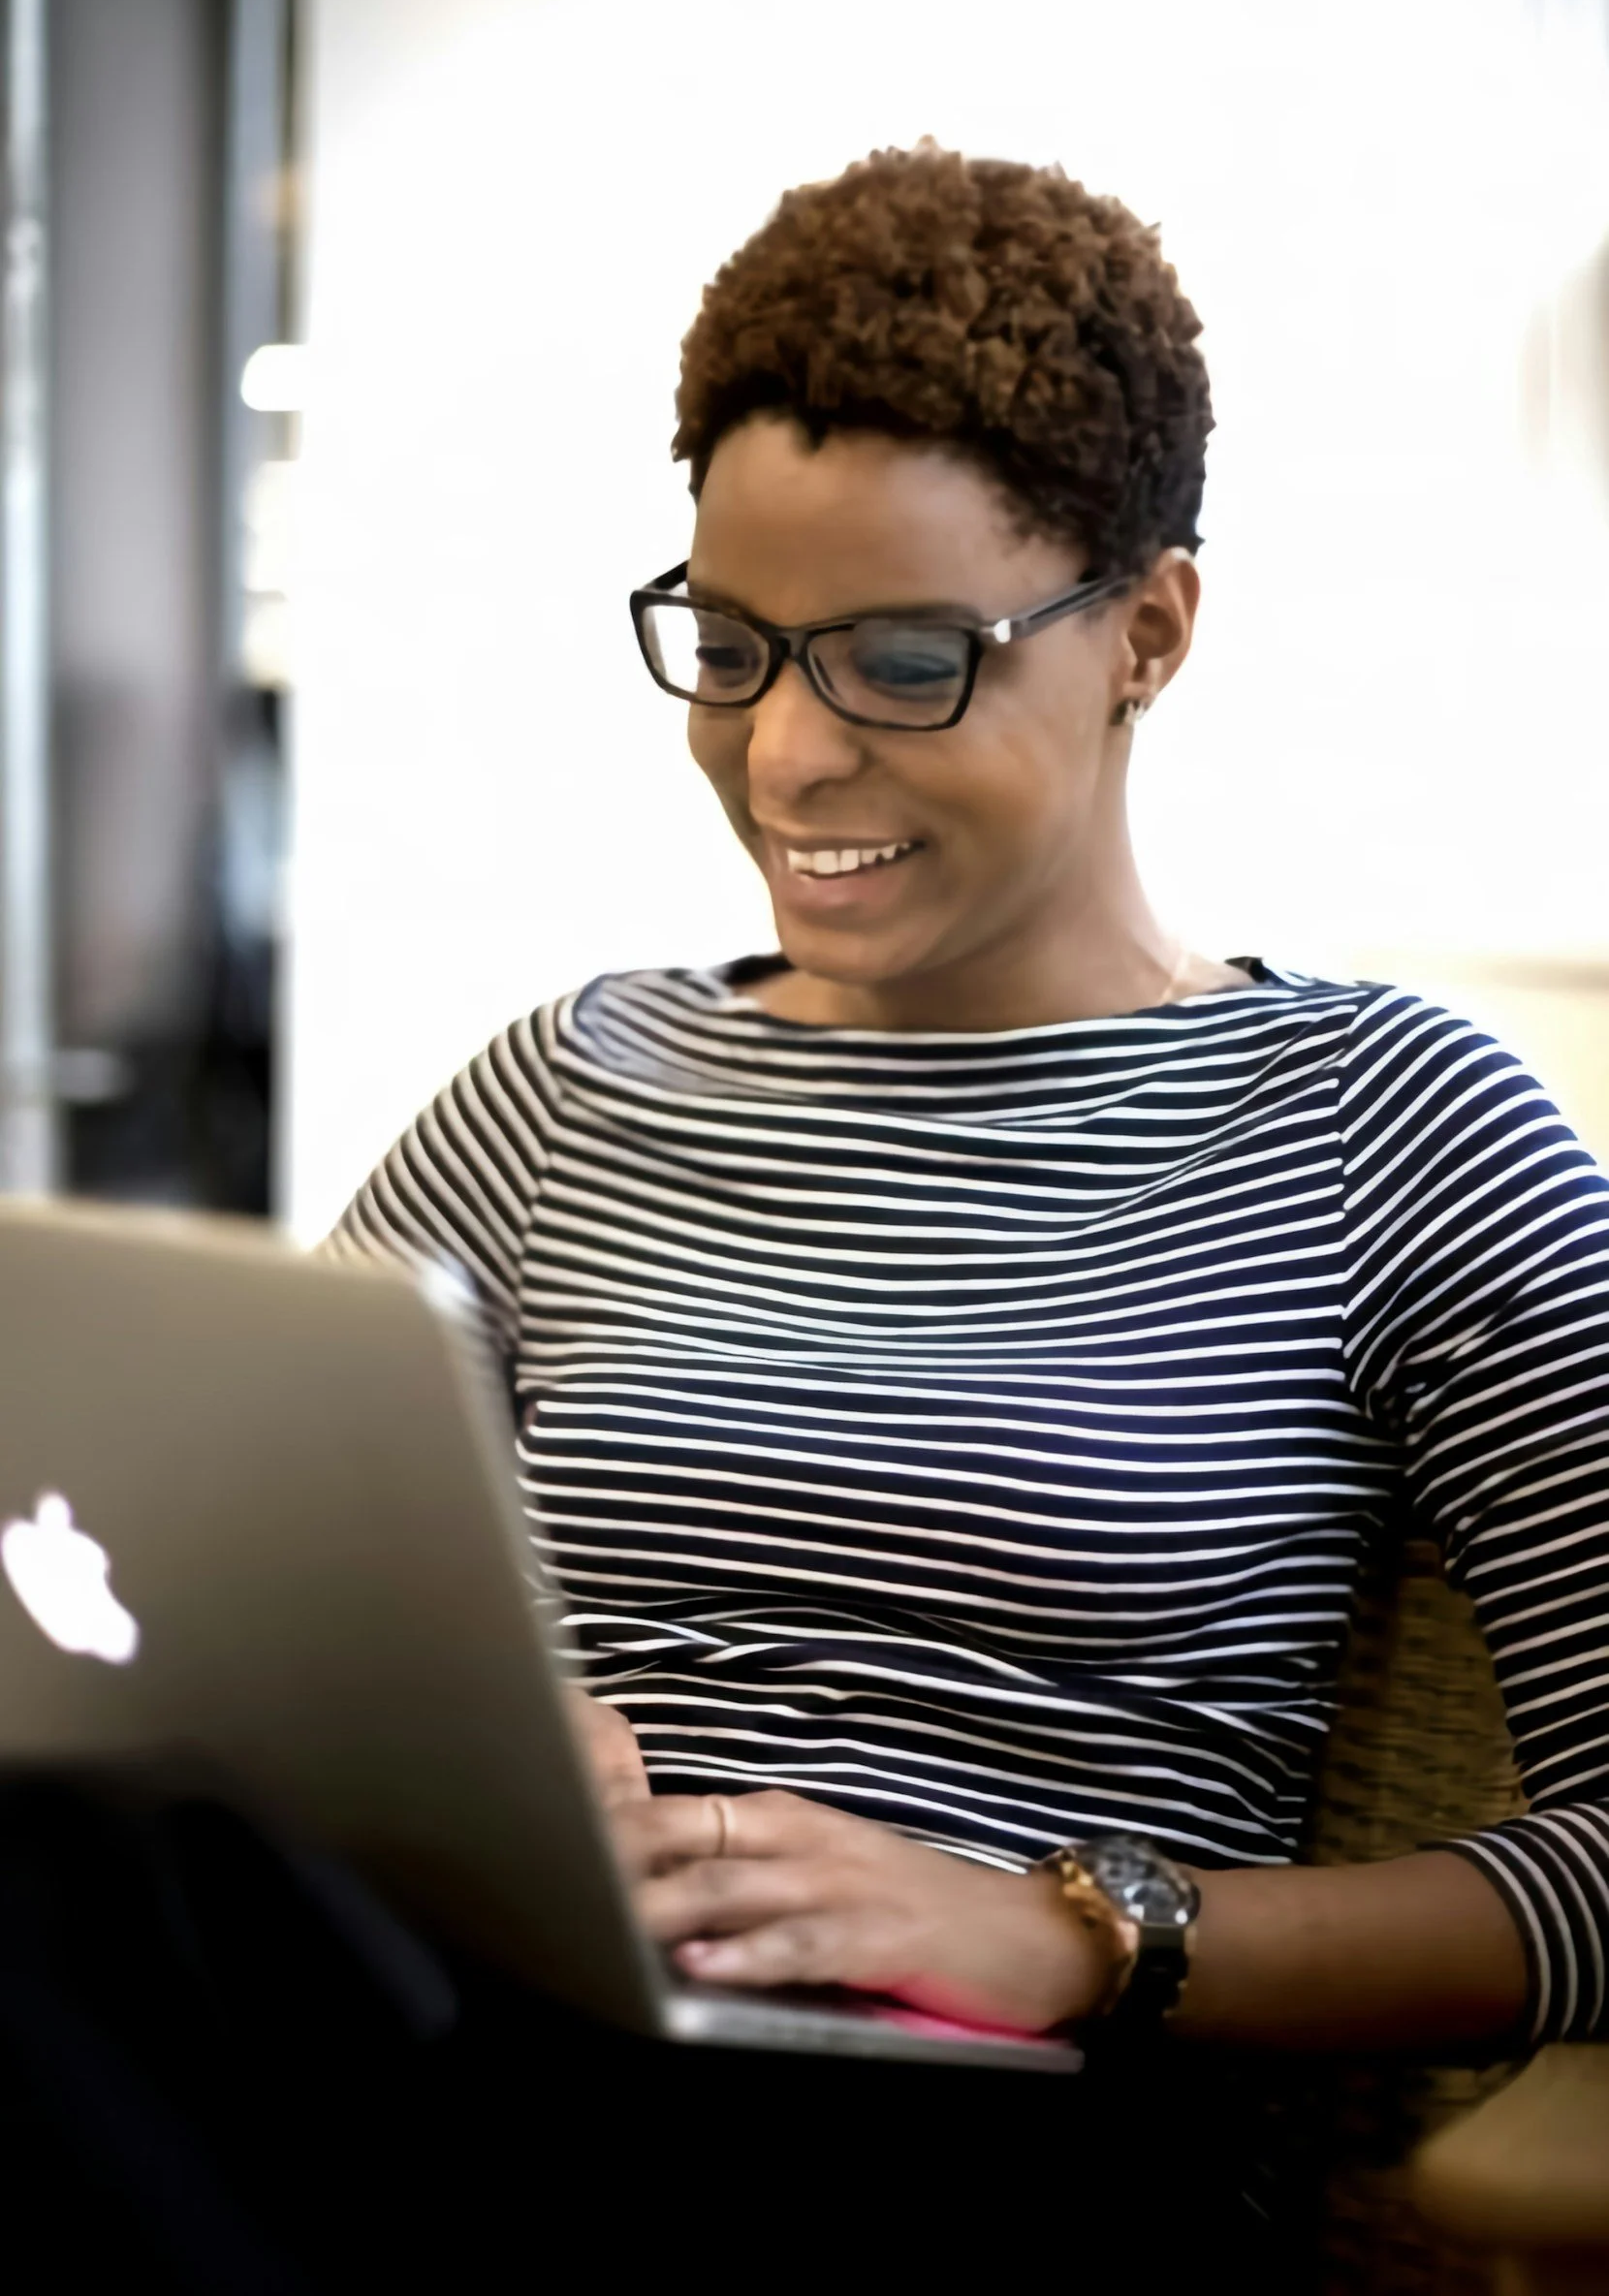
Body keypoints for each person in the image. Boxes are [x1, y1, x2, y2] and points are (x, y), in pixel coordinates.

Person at [9, 144, 1606, 2288]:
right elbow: (209, 1589)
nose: (783, 754)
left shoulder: (1377, 1126)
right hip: (482, 2025)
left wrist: (1075, 1927)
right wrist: (438, 1755)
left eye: (899, 662)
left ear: (1145, 628)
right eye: (733, 645)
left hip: (961, 2134)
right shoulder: (564, 1083)